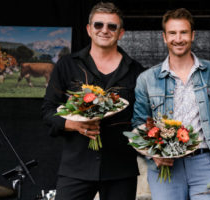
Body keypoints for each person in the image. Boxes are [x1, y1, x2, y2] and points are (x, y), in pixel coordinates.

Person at [41, 2, 145, 200]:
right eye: (98, 25)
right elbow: (47, 110)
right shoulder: (67, 65)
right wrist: (73, 124)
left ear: (121, 33)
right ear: (89, 29)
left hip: (120, 169)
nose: (104, 30)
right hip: (76, 167)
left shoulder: (136, 71)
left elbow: (142, 117)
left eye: (112, 26)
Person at [131, 8, 210, 200]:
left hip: (204, 161)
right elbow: (138, 124)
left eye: (183, 32)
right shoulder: (147, 79)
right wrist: (153, 155)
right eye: (172, 33)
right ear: (164, 37)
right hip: (164, 165)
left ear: (193, 35)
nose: (178, 38)